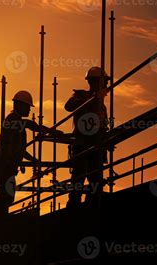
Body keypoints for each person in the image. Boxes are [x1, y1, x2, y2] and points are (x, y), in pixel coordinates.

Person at [0, 90, 62, 220]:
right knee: (5, 194)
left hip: (5, 164)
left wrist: (32, 159)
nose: (29, 110)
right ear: (19, 105)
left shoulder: (16, 122)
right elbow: (30, 124)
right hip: (2, 163)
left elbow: (19, 148)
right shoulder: (12, 119)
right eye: (27, 107)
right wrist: (51, 132)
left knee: (6, 195)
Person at [65, 66, 109, 208]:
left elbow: (103, 126)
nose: (107, 86)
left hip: (96, 146)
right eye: (105, 82)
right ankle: (73, 207)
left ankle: (93, 204)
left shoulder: (102, 107)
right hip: (81, 145)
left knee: (96, 180)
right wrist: (91, 99)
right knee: (78, 177)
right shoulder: (80, 95)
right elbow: (69, 106)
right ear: (95, 82)